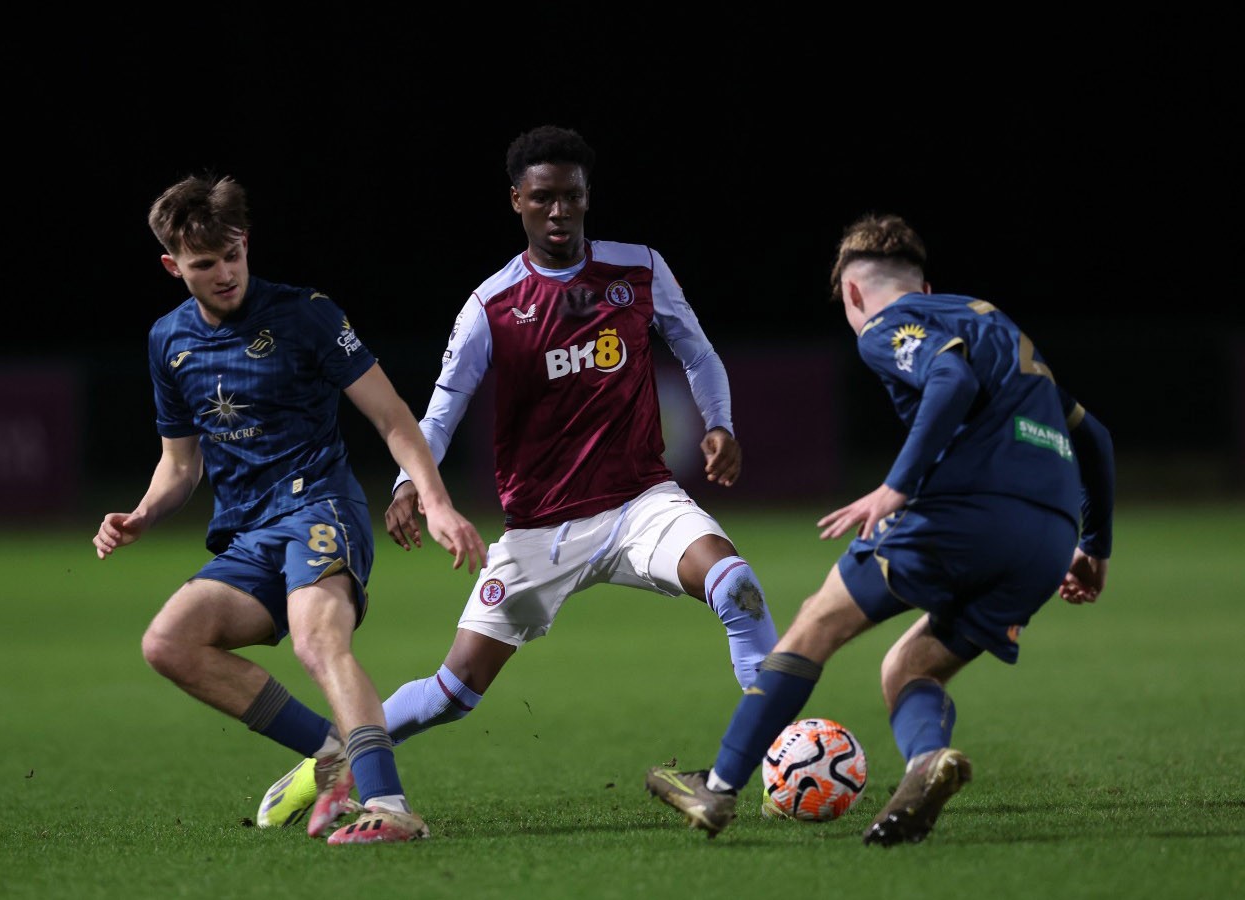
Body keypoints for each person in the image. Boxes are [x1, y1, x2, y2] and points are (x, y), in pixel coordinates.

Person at [256, 125, 777, 827]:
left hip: (641, 503)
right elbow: (441, 410)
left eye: (571, 197)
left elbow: (699, 353)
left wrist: (721, 424)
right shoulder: (491, 306)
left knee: (736, 585)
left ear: (587, 197)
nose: (559, 212)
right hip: (540, 530)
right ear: (516, 202)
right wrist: (409, 482)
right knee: (453, 692)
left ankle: (765, 765)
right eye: (542, 198)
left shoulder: (639, 269)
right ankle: (331, 760)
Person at [644, 212, 1116, 846]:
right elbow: (1096, 439)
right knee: (909, 670)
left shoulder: (884, 325)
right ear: (925, 288)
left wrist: (897, 486)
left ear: (853, 292)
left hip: (963, 512)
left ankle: (719, 787)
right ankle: (927, 762)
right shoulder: (995, 325)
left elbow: (949, 377)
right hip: (1048, 540)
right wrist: (1093, 547)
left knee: (815, 624)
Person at [93, 172, 487, 846]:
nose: (224, 273)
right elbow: (180, 466)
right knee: (167, 643)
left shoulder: (306, 314)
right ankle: (331, 752)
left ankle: (389, 805)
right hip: (248, 535)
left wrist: (437, 503)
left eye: (232, 255)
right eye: (204, 264)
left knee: (316, 639)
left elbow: (393, 418)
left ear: (246, 242)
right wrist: (142, 514)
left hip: (321, 507)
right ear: (172, 266)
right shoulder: (169, 341)